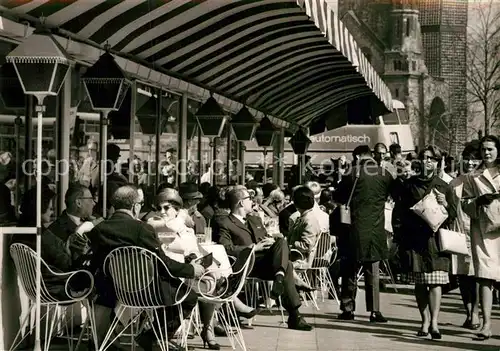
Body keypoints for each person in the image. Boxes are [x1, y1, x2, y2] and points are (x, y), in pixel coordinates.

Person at [86, 185, 203, 350]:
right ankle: (152, 337)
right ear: (135, 206)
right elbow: (163, 264)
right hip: (146, 291)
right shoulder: (141, 229)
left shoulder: (100, 229)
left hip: (117, 290)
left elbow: (98, 263)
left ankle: (110, 340)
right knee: (188, 297)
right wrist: (191, 270)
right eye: (140, 203)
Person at [214, 187, 313, 331]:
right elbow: (227, 248)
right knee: (288, 266)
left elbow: (265, 237)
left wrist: (270, 241)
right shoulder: (225, 223)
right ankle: (294, 315)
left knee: (281, 242)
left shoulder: (254, 219)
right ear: (241, 203)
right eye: (249, 199)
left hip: (266, 262)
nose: (253, 202)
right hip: (247, 264)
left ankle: (279, 279)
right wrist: (254, 247)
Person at [393, 146, 456, 339]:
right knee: (420, 283)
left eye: (432, 159)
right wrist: (400, 234)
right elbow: (399, 211)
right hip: (415, 239)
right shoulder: (409, 184)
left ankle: (435, 322)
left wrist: (445, 203)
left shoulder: (444, 186)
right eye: (425, 158)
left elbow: (453, 215)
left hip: (435, 240)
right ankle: (424, 321)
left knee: (436, 283)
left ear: (438, 162)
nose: (428, 161)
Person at [333, 145, 393, 323]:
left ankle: (348, 309)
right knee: (372, 270)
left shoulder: (352, 173)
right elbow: (391, 195)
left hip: (353, 228)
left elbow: (339, 196)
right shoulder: (384, 174)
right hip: (375, 228)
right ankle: (375, 311)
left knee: (349, 269)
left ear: (358, 155)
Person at [462, 135, 500, 341]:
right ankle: (486, 325)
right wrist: (478, 201)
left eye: (491, 149)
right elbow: (465, 205)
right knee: (485, 277)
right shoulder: (473, 176)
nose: (486, 153)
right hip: (483, 231)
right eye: (484, 149)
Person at [450, 141, 481, 330]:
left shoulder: (481, 181)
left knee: (477, 274)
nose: (470, 163)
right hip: (458, 232)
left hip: (477, 232)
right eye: (467, 159)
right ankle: (469, 311)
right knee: (462, 275)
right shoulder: (454, 183)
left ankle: (476, 313)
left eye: (474, 159)